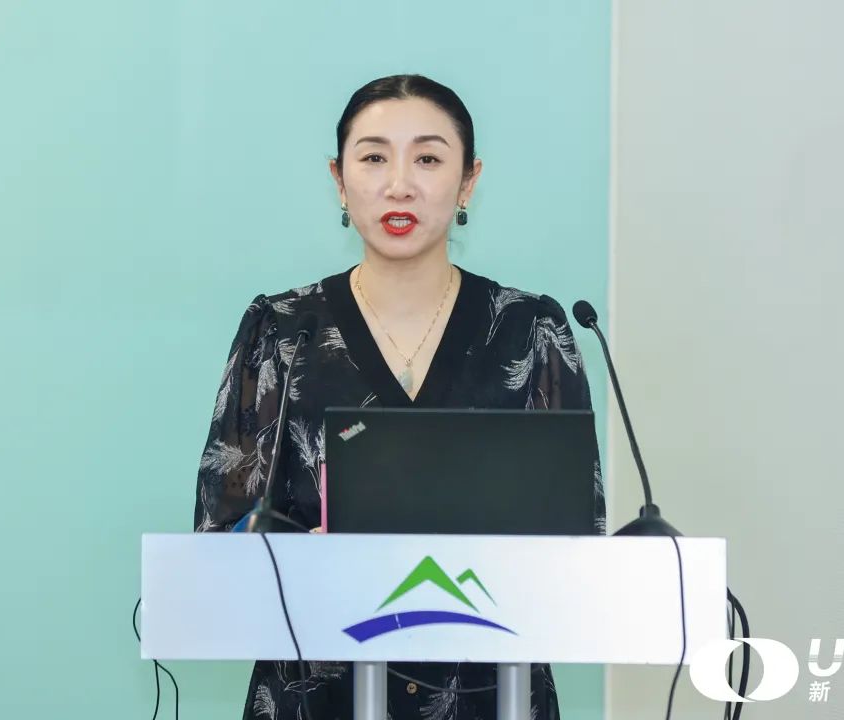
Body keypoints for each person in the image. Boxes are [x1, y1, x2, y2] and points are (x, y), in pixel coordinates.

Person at [193, 74, 606, 720]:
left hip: (492, 695)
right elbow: (221, 536)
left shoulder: (532, 331)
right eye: (374, 158)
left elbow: (580, 538)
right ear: (339, 179)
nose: (399, 185)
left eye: (429, 159)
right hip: (315, 695)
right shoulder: (282, 331)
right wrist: (302, 555)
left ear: (468, 181)